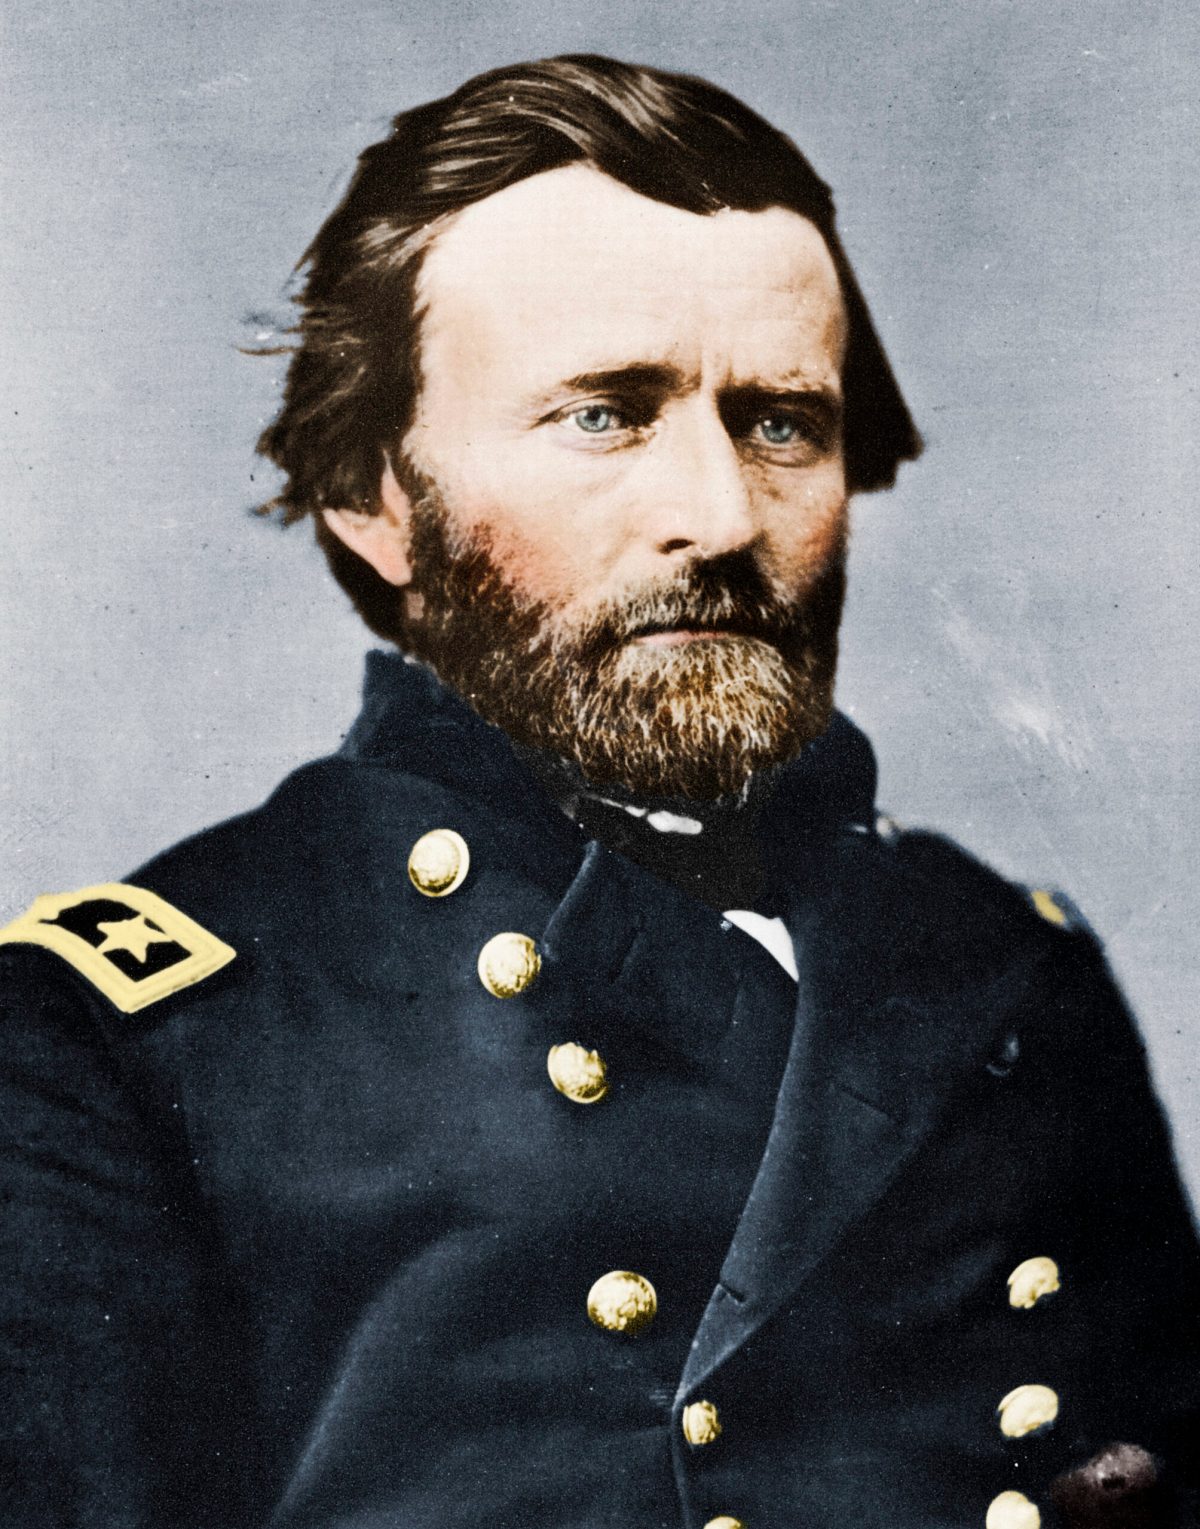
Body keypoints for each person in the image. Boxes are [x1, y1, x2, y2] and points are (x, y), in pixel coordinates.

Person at [1, 55, 1196, 1529]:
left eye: (782, 423)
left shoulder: (1008, 971)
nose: (719, 515)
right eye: (606, 416)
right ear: (375, 498)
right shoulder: (130, 1043)